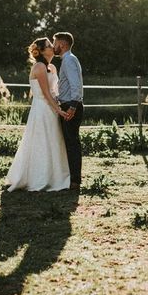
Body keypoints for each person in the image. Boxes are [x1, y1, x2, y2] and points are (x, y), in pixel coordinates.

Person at [5, 38, 70, 191]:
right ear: (41, 51)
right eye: (49, 45)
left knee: (53, 140)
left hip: (52, 107)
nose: (52, 47)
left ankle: (55, 176)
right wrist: (58, 110)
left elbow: (56, 91)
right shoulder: (39, 67)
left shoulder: (52, 67)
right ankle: (40, 177)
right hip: (42, 108)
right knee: (42, 141)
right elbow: (46, 93)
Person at [53, 31, 84, 190]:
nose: (53, 46)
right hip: (67, 104)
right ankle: (70, 179)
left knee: (72, 144)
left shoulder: (69, 60)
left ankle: (75, 181)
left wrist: (72, 106)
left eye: (55, 42)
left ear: (62, 44)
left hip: (70, 106)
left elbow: (76, 85)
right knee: (69, 143)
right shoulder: (67, 60)